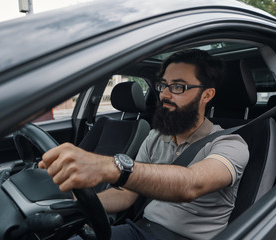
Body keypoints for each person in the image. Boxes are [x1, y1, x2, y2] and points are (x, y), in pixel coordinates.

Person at [38, 49, 249, 240]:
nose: (164, 94)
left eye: (177, 86)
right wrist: (78, 207)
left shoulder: (230, 144)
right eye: (163, 85)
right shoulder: (156, 136)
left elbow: (192, 184)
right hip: (139, 230)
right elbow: (127, 194)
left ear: (207, 95)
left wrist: (110, 167)